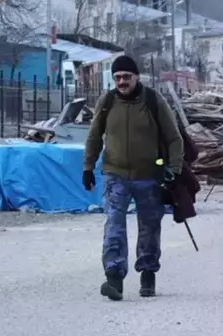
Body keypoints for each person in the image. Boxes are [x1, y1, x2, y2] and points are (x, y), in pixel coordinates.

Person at [82, 55, 184, 301]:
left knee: (149, 226)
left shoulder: (152, 100)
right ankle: (114, 277)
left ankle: (147, 272)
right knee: (114, 224)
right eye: (117, 77)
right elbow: (94, 136)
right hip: (114, 173)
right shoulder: (106, 102)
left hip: (148, 175)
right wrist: (88, 167)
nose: (122, 81)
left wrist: (174, 170)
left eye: (127, 76)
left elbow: (174, 138)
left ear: (136, 77)